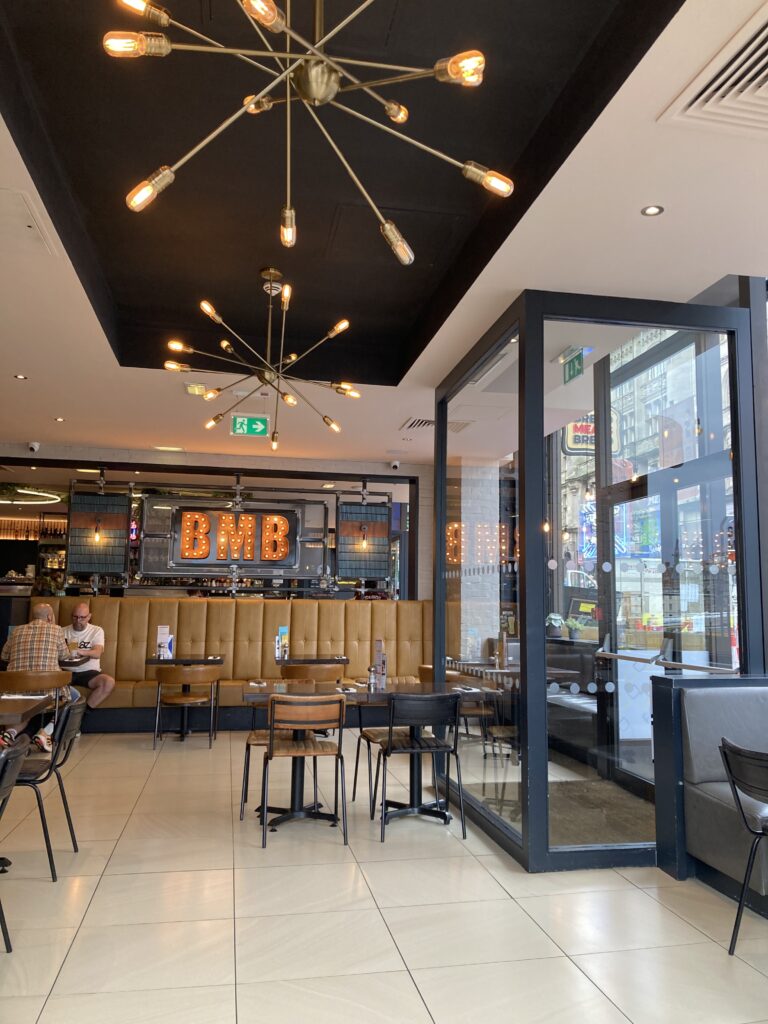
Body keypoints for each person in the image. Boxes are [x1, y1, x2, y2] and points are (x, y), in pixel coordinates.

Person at [0, 603, 71, 752]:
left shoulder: (17, 631)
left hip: (16, 689)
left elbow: (4, 656)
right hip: (47, 689)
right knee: (70, 698)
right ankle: (46, 733)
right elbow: (65, 656)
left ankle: (9, 734)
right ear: (50, 617)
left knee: (24, 708)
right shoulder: (56, 629)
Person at [62, 603, 115, 709]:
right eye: (75, 617)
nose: (78, 621)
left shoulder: (96, 631)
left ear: (89, 617)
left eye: (82, 617)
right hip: (65, 672)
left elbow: (97, 653)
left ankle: (82, 714)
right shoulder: (62, 631)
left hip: (88, 672)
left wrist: (80, 652)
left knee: (108, 682)